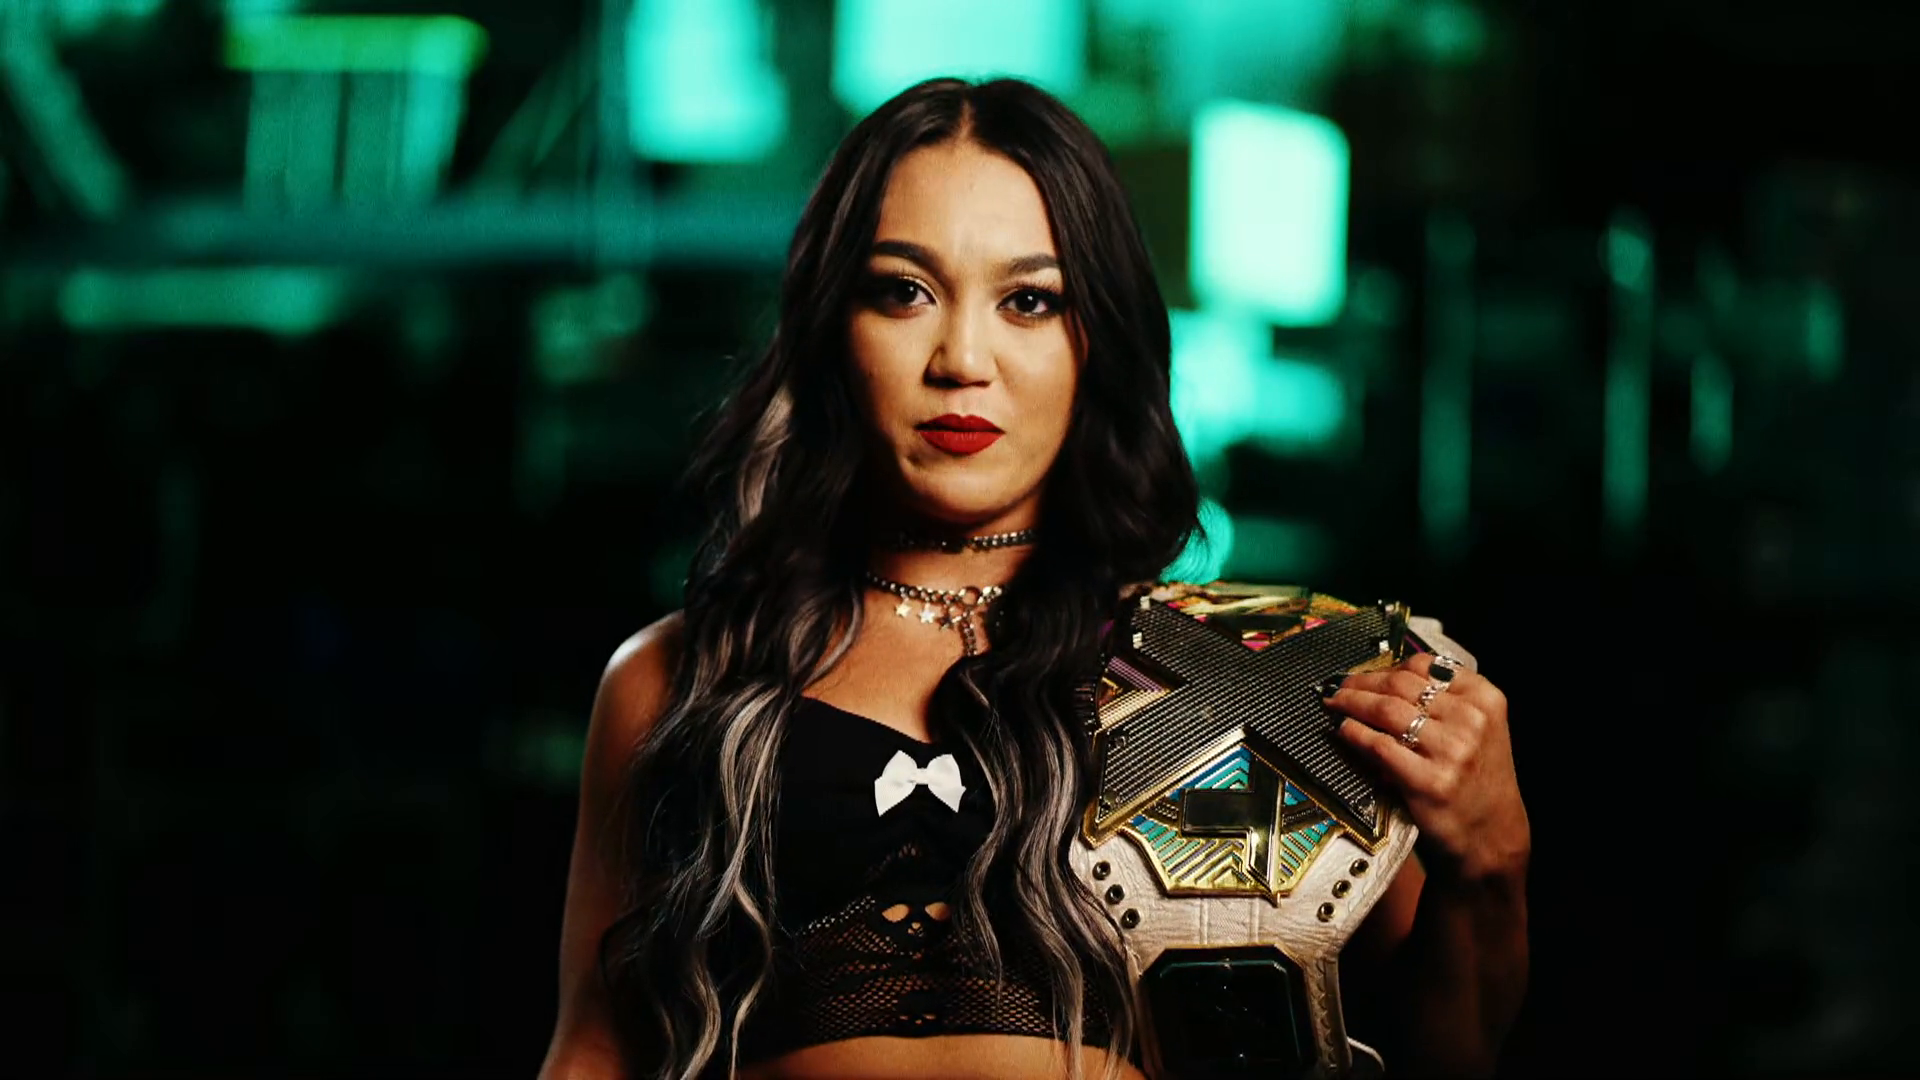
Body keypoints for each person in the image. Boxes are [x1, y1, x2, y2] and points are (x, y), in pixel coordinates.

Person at [538, 77, 1530, 1080]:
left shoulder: (1259, 681)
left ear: (1096, 339)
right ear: (831, 325)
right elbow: (593, 1052)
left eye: (1029, 301)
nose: (963, 359)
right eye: (904, 291)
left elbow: (1444, 1057)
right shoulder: (680, 680)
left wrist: (1491, 858)